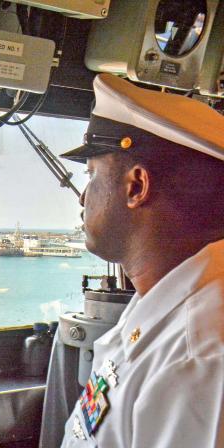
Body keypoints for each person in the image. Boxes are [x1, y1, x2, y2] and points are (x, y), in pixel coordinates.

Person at [57, 73, 224, 447]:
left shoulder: (198, 359)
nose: (83, 198)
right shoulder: (159, 302)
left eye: (92, 175)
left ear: (136, 186)